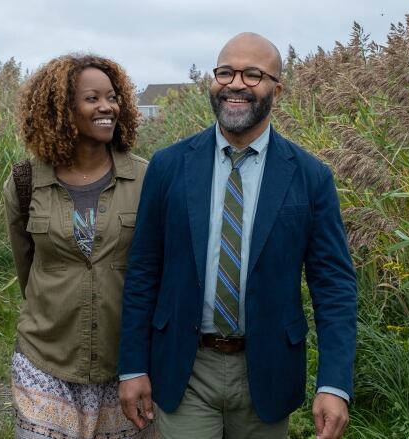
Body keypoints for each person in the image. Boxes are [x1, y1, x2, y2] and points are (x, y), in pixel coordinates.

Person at [117, 32, 358, 439]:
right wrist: (133, 366)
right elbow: (143, 271)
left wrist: (334, 384)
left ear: (276, 89)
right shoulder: (169, 166)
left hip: (267, 369)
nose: (235, 84)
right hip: (186, 366)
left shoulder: (310, 177)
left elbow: (334, 286)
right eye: (225, 72)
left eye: (252, 75)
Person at [4, 54, 157, 439]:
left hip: (122, 364)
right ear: (62, 109)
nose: (107, 107)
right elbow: (27, 267)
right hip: (44, 357)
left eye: (112, 97)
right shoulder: (25, 182)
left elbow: (159, 269)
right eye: (92, 98)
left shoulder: (146, 178)